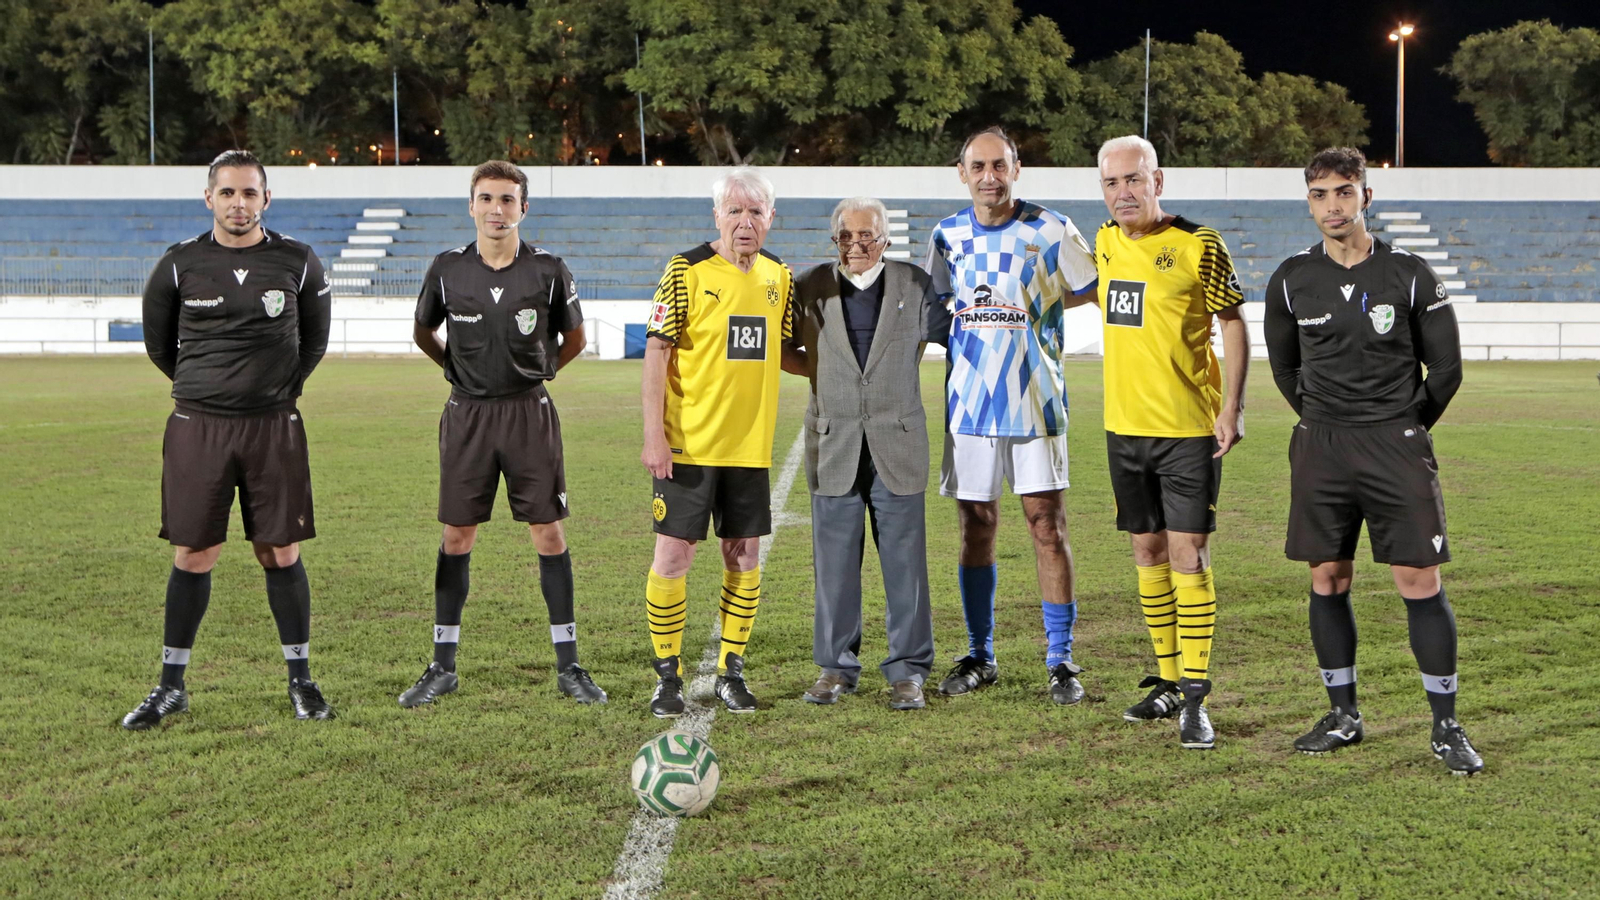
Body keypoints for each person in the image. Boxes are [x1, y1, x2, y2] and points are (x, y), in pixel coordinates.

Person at [1264, 147, 1481, 775]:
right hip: (1323, 448)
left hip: (1395, 446)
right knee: (1327, 578)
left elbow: (1446, 369)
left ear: (1365, 195)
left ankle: (1445, 726)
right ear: (1309, 202)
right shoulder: (1290, 279)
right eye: (1319, 195)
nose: (1332, 206)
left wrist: (1404, 428)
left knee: (1419, 581)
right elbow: (1285, 369)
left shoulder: (1410, 274)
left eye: (1343, 192)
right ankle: (1343, 715)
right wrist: (1322, 421)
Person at [123, 149, 333, 729]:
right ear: (208, 198)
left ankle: (301, 682)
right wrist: (206, 390)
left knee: (280, 551)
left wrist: (276, 391)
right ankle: (170, 687)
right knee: (194, 553)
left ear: (266, 198)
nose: (238, 203)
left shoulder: (298, 260)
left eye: (249, 193)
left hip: (273, 426)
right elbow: (159, 346)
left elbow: (314, 341)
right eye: (227, 193)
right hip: (199, 428)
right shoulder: (178, 264)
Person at [400, 160, 605, 708]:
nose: (497, 209)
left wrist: (540, 371)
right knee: (457, 536)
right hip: (467, 416)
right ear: (471, 206)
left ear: (523, 208)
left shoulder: (548, 270)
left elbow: (575, 339)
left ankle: (570, 666)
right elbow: (423, 331)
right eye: (487, 199)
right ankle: (442, 666)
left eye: (507, 199)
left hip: (527, 415)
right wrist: (456, 371)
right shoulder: (447, 269)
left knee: (548, 533)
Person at [925, 127, 1101, 705]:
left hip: (1036, 400)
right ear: (962, 173)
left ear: (1016, 168)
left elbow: (1091, 285)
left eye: (999, 165)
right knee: (976, 526)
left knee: (1047, 524)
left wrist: (1044, 303)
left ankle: (1061, 659)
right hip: (969, 404)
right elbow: (938, 305)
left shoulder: (1051, 228)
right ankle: (981, 654)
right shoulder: (946, 235)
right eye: (978, 166)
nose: (989, 177)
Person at [1093, 134, 1250, 750]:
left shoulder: (1198, 244)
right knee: (1147, 553)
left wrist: (1232, 406)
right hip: (1124, 430)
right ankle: (1165, 679)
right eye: (1111, 183)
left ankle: (1196, 697)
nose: (1123, 192)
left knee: (1190, 557)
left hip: (1187, 430)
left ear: (1157, 181)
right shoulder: (1105, 242)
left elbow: (1232, 322)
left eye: (1134, 179)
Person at [784, 197, 951, 711]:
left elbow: (941, 342)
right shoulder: (808, 285)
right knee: (833, 566)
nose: (855, 245)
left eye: (866, 236)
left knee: (906, 566)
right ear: (833, 239)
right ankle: (835, 668)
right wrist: (825, 376)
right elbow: (784, 349)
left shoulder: (915, 284)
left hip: (897, 441)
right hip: (832, 441)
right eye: (845, 236)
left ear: (885, 239)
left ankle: (908, 671)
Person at [639, 166, 794, 717]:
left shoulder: (780, 276)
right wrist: (654, 436)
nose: (744, 222)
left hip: (749, 447)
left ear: (771, 218)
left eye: (755, 212)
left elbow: (787, 350)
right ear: (717, 216)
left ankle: (731, 669)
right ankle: (668, 675)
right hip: (688, 446)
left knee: (744, 555)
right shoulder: (685, 270)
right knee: (673, 554)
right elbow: (656, 351)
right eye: (734, 211)